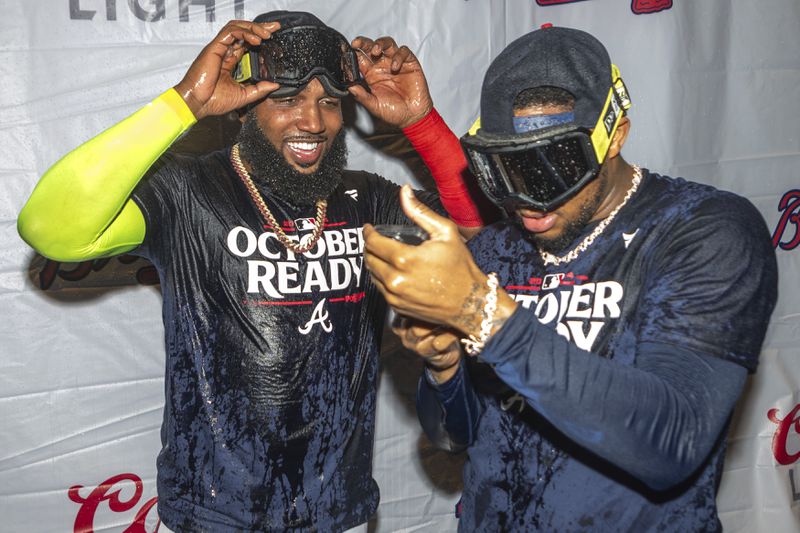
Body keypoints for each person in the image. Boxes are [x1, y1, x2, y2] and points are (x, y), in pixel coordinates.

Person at [17, 10, 484, 532]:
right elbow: (53, 229)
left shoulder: (367, 199)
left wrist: (423, 123)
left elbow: (476, 236)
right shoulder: (189, 193)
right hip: (213, 512)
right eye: (286, 100)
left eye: (329, 103)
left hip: (335, 513)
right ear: (242, 106)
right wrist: (184, 103)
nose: (313, 122)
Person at [363, 25, 778, 531]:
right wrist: (444, 365)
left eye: (554, 171)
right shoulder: (495, 250)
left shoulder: (701, 229)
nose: (530, 204)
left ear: (615, 134)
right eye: (508, 173)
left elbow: (672, 443)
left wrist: (482, 312)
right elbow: (457, 438)